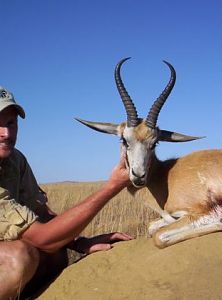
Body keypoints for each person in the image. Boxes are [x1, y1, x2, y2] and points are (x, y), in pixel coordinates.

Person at [0, 86, 133, 299]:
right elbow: (43, 238)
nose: (5, 134)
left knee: (56, 254)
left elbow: (41, 213)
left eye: (10, 123)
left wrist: (78, 242)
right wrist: (112, 187)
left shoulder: (15, 160)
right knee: (19, 257)